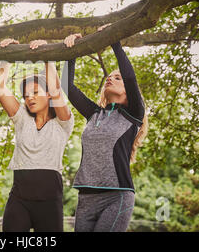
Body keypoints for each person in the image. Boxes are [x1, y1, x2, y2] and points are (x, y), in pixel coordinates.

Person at [61, 31, 148, 232]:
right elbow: (67, 85)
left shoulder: (133, 114)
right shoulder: (94, 114)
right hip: (85, 197)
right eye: (109, 77)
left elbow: (130, 76)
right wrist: (72, 52)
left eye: (117, 78)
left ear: (129, 91)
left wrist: (113, 41)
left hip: (116, 196)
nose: (111, 79)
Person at [0, 38, 74, 232]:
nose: (30, 98)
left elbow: (55, 88)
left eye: (35, 92)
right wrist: (8, 54)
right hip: (19, 199)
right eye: (26, 95)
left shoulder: (63, 123)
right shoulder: (22, 119)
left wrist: (46, 54)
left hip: (49, 202)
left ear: (48, 96)